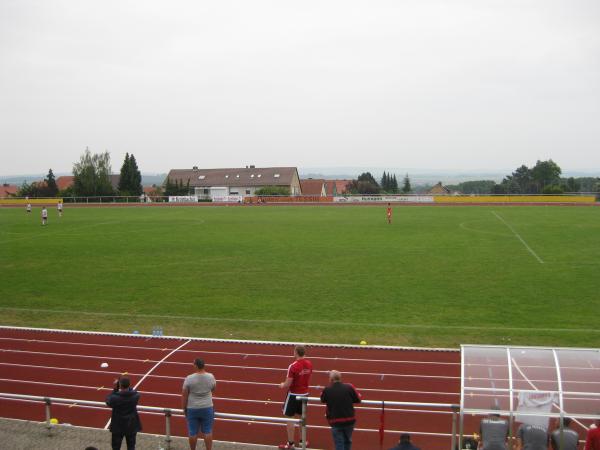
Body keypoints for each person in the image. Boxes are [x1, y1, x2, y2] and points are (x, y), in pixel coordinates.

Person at [279, 345, 313, 449]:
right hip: (305, 394)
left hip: (294, 395)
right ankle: (303, 441)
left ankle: (290, 443)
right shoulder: (309, 364)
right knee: (302, 418)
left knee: (290, 418)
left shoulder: (293, 366)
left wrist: (282, 385)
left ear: (296, 353)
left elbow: (288, 383)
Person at [320, 370, 361, 450]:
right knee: (347, 441)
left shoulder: (327, 390)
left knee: (339, 443)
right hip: (349, 420)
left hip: (335, 421)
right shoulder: (349, 387)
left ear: (331, 379)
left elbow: (322, 399)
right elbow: (358, 399)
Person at [182, 358, 217, 450]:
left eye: (193, 364)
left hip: (192, 408)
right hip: (207, 407)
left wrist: (184, 408)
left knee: (192, 432)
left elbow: (184, 395)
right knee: (208, 431)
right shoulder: (211, 376)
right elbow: (213, 389)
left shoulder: (189, 378)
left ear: (196, 366)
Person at [105, 376, 142, 450]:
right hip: (131, 424)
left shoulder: (115, 398)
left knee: (116, 447)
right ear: (129, 384)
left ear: (120, 386)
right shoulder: (136, 396)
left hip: (118, 426)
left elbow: (108, 400)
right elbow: (133, 391)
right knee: (131, 446)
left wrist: (115, 388)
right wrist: (124, 385)